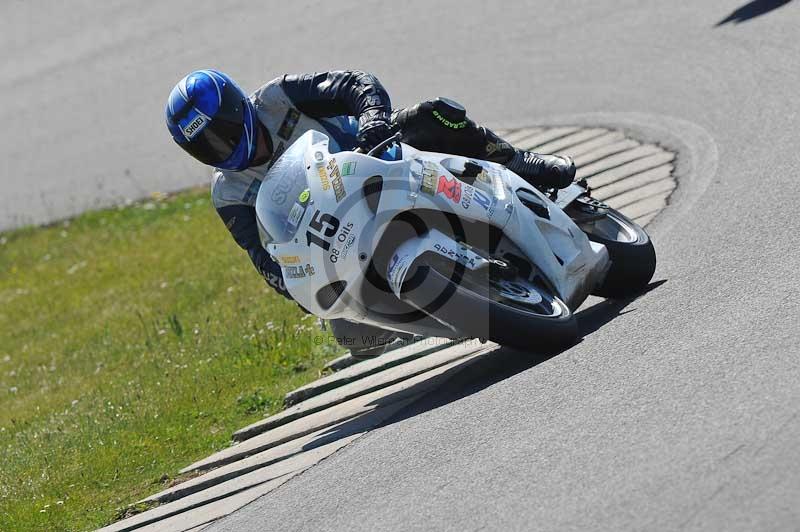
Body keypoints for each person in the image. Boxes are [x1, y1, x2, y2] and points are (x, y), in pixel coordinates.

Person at [165, 69, 576, 357]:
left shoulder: (278, 98)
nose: (223, 147)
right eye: (207, 146)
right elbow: (262, 257)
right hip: (340, 241)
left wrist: (373, 122)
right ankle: (456, 304)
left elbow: (355, 84)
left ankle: (521, 163)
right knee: (351, 334)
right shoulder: (228, 192)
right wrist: (293, 281)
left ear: (238, 107)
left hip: (382, 164)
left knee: (436, 114)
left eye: (223, 131)